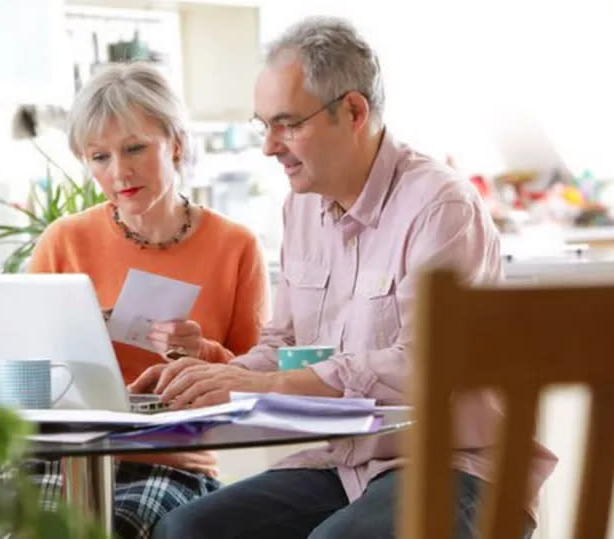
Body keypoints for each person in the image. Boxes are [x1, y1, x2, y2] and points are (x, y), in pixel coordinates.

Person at [133, 16, 557, 539]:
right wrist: (215, 380)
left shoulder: (439, 206)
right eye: (262, 124)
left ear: (353, 111)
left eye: (287, 123)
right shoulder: (301, 209)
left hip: (457, 462)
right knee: (187, 530)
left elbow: (425, 365)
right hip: (347, 463)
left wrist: (263, 383)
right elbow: (285, 344)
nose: (269, 145)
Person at [28, 62, 271, 539]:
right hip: (64, 459)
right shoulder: (64, 241)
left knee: (115, 528)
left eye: (135, 148)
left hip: (174, 465)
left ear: (176, 144)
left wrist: (201, 354)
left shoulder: (235, 246)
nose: (119, 172)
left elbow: (259, 387)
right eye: (100, 157)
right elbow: (22, 375)